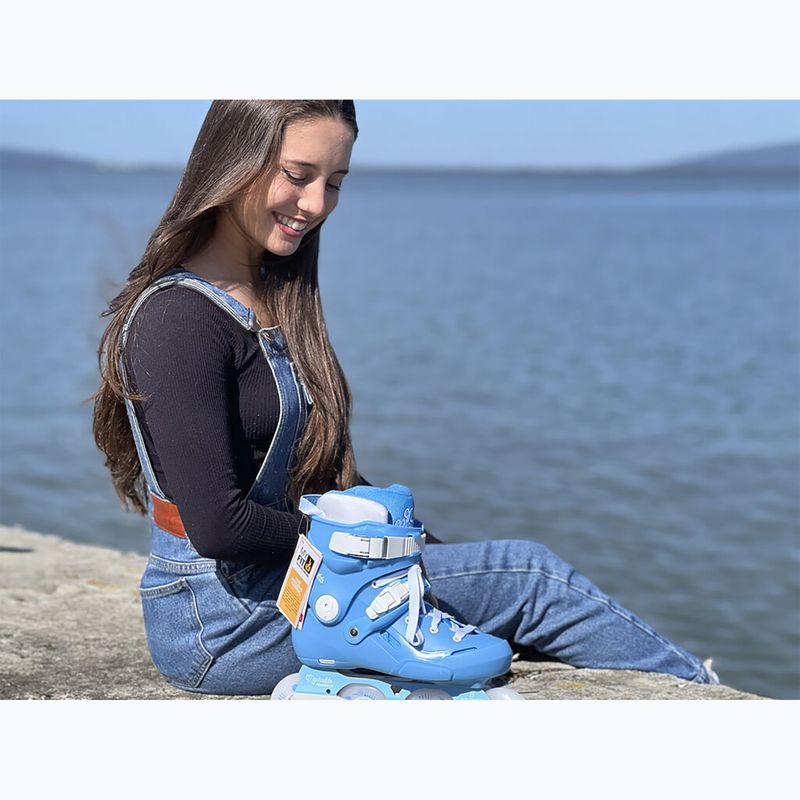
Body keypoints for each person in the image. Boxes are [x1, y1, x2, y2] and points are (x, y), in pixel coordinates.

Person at [93, 99, 718, 695]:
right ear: (233, 160)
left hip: (287, 587)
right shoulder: (177, 318)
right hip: (224, 623)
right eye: (298, 175)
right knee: (530, 577)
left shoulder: (272, 293)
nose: (316, 204)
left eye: (335, 182)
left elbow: (321, 479)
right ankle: (704, 697)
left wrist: (428, 553)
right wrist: (389, 550)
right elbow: (220, 528)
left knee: (496, 596)